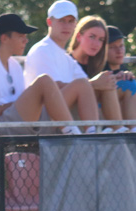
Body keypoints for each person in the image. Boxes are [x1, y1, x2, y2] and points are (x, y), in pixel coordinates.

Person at [0, 13, 83, 136]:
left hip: (16, 120)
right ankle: (73, 135)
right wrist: (10, 107)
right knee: (44, 81)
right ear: (4, 38)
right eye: (20, 36)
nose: (26, 40)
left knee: (82, 84)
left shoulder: (15, 65)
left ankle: (93, 132)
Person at [22, 0, 101, 133]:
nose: (66, 26)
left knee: (115, 86)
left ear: (76, 25)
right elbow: (53, 89)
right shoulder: (42, 50)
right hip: (41, 117)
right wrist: (96, 83)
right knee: (84, 85)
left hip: (58, 115)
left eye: (71, 21)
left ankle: (121, 130)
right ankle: (91, 135)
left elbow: (86, 84)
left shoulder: (66, 58)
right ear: (49, 22)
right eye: (61, 20)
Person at [68, 15, 134, 132]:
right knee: (108, 83)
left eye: (101, 40)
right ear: (79, 36)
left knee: (131, 83)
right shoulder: (66, 60)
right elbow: (68, 90)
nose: (96, 43)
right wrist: (94, 83)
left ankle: (132, 131)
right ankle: (118, 130)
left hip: (96, 113)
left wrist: (118, 76)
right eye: (92, 37)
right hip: (70, 115)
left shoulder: (99, 63)